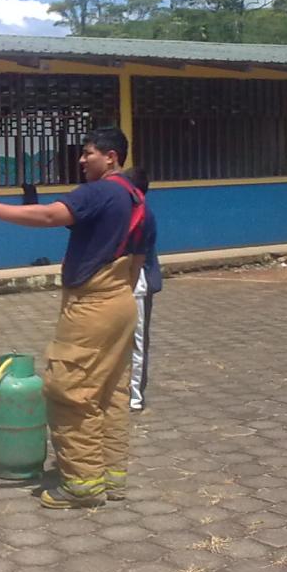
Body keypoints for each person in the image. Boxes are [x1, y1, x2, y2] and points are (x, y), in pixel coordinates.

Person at [0, 128, 147, 509]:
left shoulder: (100, 191)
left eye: (89, 153)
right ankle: (110, 477)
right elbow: (138, 263)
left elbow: (51, 214)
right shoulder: (137, 200)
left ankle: (82, 485)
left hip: (93, 306)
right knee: (109, 394)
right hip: (121, 303)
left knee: (69, 391)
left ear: (111, 157)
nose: (82, 160)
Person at [124, 167, 161, 412]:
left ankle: (134, 396)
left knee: (136, 342)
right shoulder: (127, 212)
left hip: (138, 285)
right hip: (124, 284)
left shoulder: (141, 214)